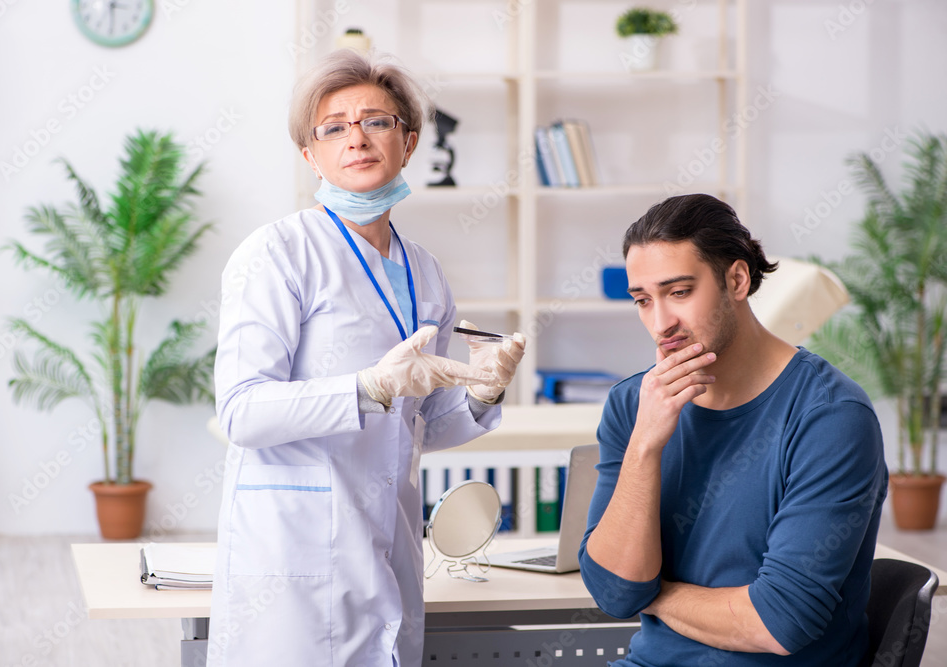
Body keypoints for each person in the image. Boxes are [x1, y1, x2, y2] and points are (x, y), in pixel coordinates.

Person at [208, 49, 526, 667]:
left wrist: (483, 392)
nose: (356, 138)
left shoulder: (424, 271)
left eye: (376, 121)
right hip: (293, 557)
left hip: (389, 544)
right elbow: (241, 412)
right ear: (311, 156)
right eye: (333, 127)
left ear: (407, 142)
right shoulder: (278, 253)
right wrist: (368, 387)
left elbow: (422, 425)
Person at [579, 194, 887, 665]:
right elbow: (613, 593)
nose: (661, 323)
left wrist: (652, 594)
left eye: (679, 292)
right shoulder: (634, 405)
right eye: (643, 300)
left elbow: (778, 623)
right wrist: (644, 446)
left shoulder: (830, 417)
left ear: (737, 280)